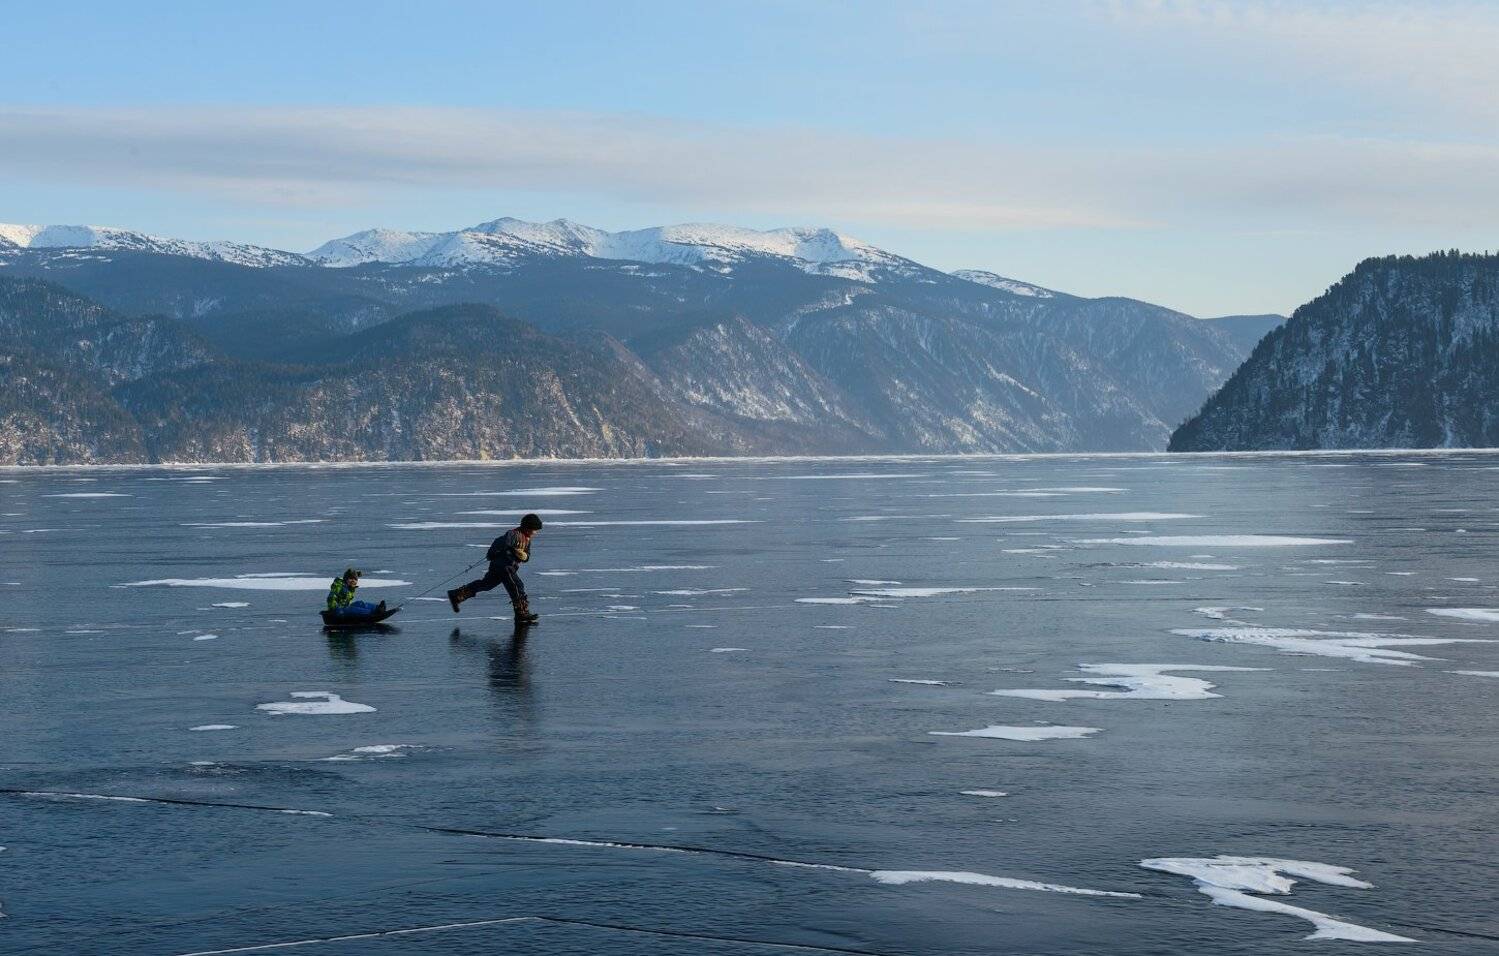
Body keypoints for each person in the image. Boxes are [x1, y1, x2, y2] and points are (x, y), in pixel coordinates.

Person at [448, 514, 543, 624]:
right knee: (517, 586)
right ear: (526, 527)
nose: (535, 532)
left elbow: (527, 556)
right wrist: (515, 553)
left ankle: (456, 595)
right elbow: (506, 547)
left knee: (487, 584)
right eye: (534, 529)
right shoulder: (512, 534)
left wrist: (524, 556)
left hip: (501, 567)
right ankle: (521, 613)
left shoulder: (527, 540)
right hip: (504, 567)